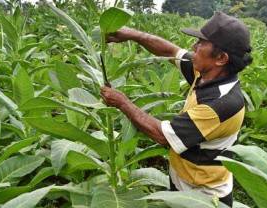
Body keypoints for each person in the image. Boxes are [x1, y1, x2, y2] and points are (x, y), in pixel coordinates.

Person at [100, 11, 253, 207]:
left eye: (200, 44)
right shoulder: (207, 73)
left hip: (204, 196)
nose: (193, 46)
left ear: (221, 58)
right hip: (183, 180)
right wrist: (133, 35)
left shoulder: (221, 104)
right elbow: (171, 52)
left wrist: (122, 102)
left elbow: (163, 135)